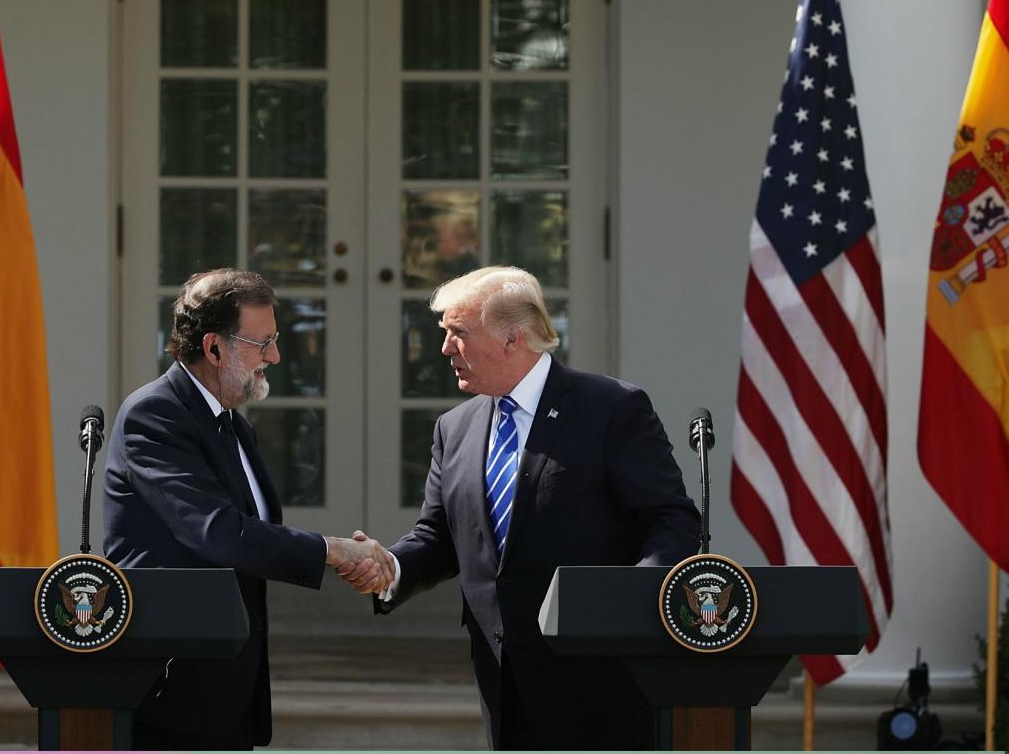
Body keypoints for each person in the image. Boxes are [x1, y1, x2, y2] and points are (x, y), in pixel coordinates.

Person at [341, 266, 700, 750]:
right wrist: (391, 568)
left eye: (458, 333)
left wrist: (632, 606)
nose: (446, 348)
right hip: (502, 675)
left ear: (512, 338)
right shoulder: (455, 427)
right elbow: (440, 537)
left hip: (600, 675)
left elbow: (669, 520)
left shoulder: (611, 408)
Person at [104, 268, 393, 750]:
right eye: (263, 343)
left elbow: (251, 537)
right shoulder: (155, 415)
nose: (275, 356)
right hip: (171, 690)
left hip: (229, 683)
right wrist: (332, 551)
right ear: (214, 348)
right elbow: (217, 532)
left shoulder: (234, 424)